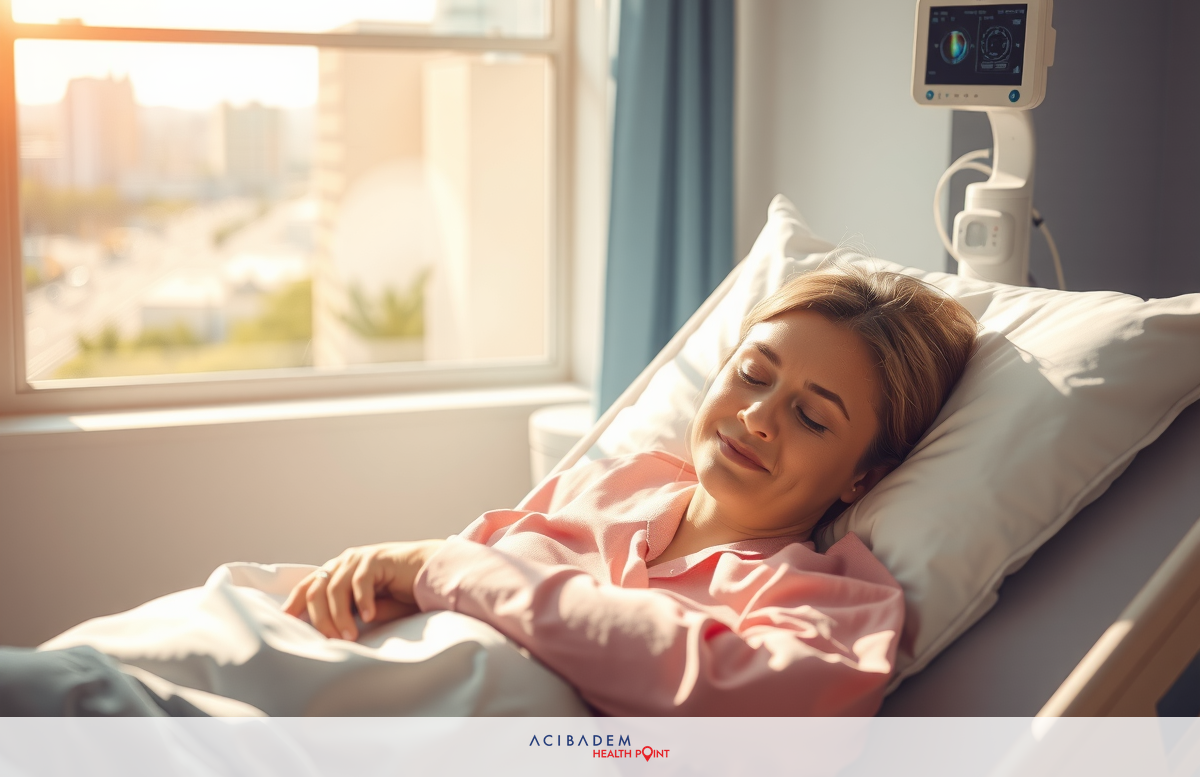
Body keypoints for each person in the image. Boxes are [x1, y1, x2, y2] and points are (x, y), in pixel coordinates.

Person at [282, 265, 978, 716]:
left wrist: (446, 566)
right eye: (754, 374)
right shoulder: (606, 486)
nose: (757, 417)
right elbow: (430, 589)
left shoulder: (833, 604)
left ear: (864, 476)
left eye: (810, 416)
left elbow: (743, 707)